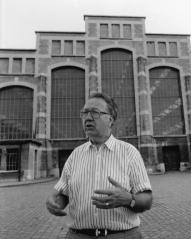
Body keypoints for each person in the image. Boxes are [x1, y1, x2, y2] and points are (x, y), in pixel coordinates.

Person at [46, 92, 153, 238]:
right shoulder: (75, 155)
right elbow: (64, 195)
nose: (88, 118)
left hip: (122, 235)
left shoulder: (129, 153)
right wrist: (55, 202)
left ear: (110, 119)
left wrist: (129, 199)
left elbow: (147, 200)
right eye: (84, 113)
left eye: (95, 113)